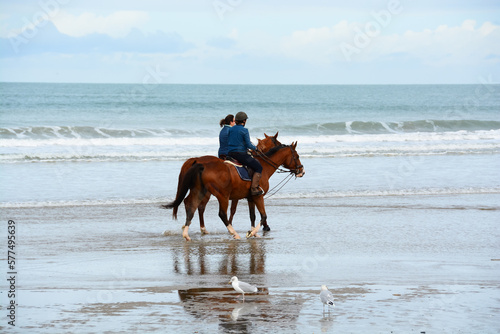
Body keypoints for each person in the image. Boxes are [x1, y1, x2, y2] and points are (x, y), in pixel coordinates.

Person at [228, 111, 264, 196]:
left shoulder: (231, 129)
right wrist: (256, 148)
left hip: (230, 153)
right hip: (240, 154)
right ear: (244, 121)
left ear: (236, 120)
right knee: (258, 167)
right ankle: (254, 188)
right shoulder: (244, 130)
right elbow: (248, 144)